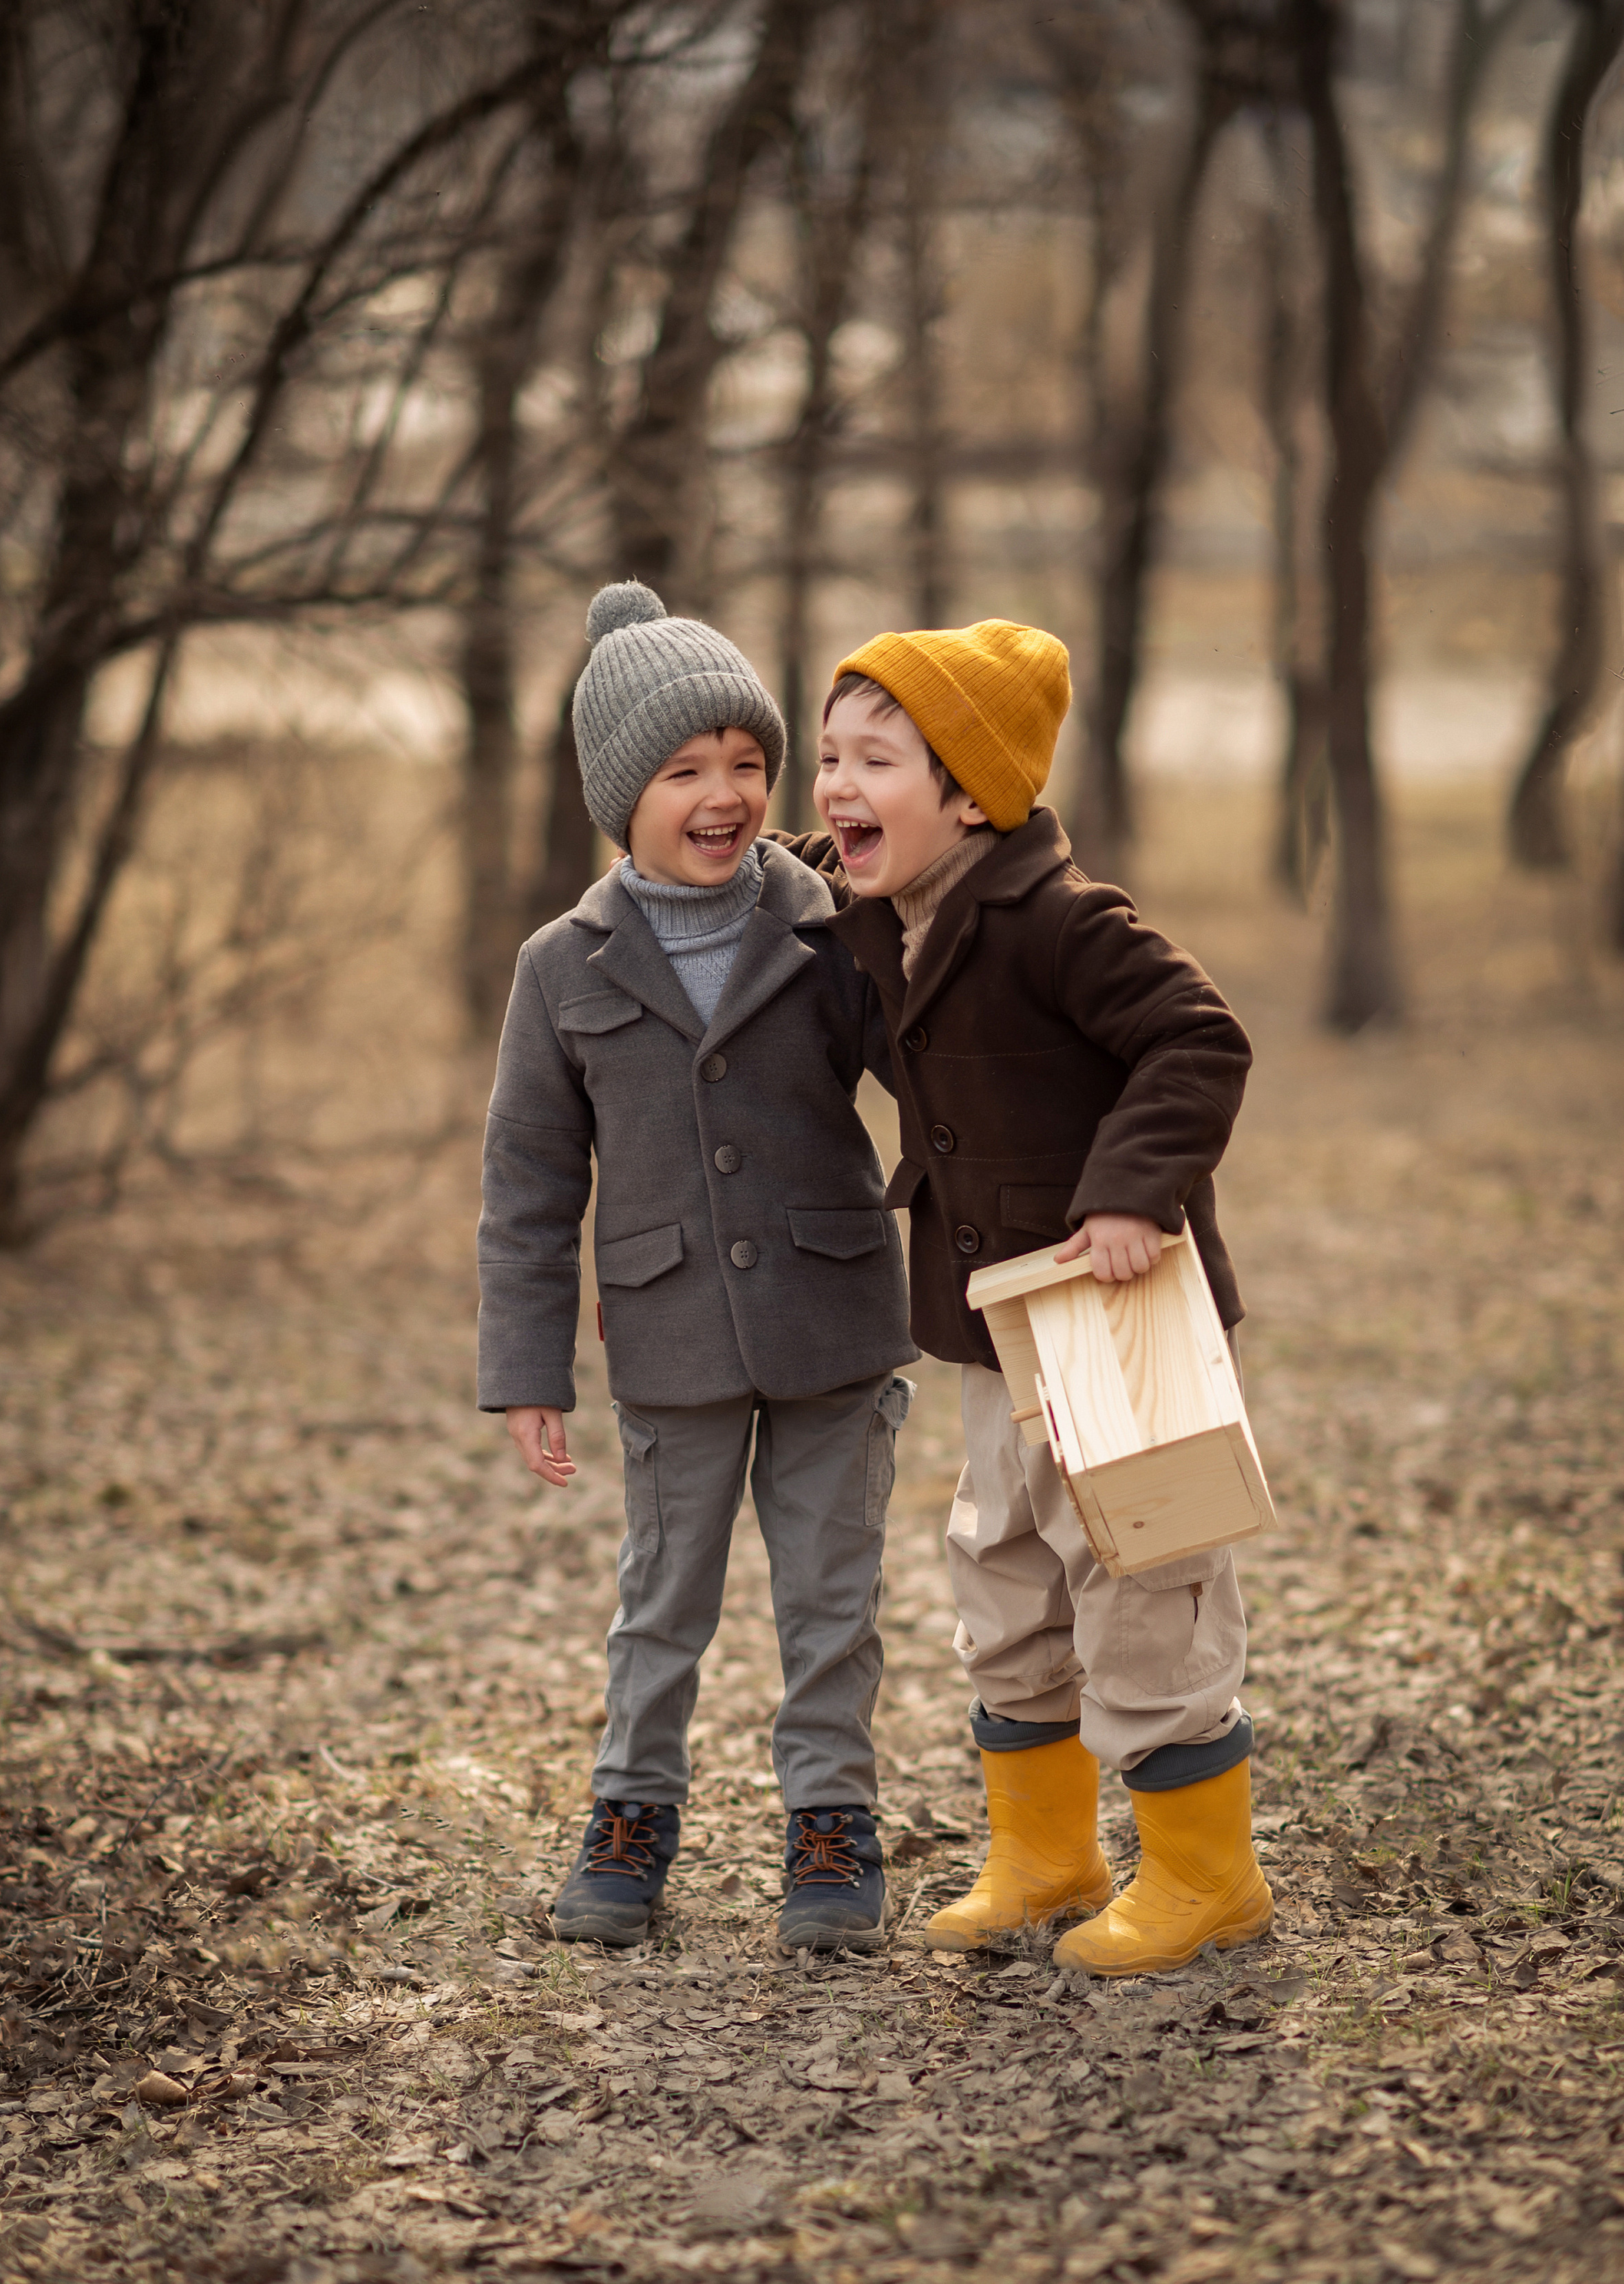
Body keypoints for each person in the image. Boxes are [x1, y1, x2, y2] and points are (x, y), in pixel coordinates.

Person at [776, 619, 1270, 1976]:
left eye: (873, 759)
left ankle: (1202, 1875)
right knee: (1002, 1570)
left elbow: (1196, 1037)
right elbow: (800, 869)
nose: (833, 785)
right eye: (826, 756)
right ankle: (1045, 1852)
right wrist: (711, 843)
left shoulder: (1060, 921)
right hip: (992, 1320)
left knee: (1140, 1576)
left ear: (969, 796)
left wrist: (1128, 1190)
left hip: (1114, 1315)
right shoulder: (888, 907)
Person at [476, 580, 918, 1956]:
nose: (723, 795)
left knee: (829, 1595)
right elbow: (530, 1183)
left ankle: (831, 1830)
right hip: (666, 1340)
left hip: (836, 1318)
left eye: (747, 765)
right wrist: (524, 1371)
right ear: (622, 798)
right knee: (660, 1599)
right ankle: (628, 1818)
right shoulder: (562, 968)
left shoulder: (838, 920)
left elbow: (933, 1088)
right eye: (684, 772)